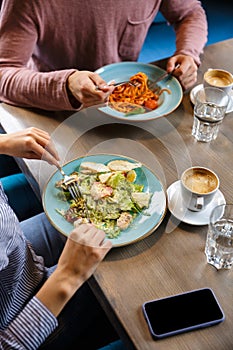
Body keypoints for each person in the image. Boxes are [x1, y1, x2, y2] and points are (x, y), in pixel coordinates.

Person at [0, 128, 124, 350]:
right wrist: (68, 276)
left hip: (17, 260)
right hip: (24, 319)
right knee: (126, 270)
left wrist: (2, 142)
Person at [0, 0, 208, 111]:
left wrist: (188, 53)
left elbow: (190, 13)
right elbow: (3, 74)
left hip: (124, 105)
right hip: (51, 105)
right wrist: (66, 84)